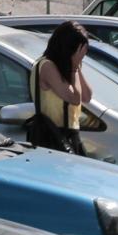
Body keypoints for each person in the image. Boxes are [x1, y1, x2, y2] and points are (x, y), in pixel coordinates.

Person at [30, 20, 92, 155]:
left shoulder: (66, 67)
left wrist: (77, 65)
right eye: (79, 51)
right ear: (68, 48)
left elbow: (86, 96)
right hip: (53, 136)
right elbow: (74, 98)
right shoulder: (46, 66)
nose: (82, 55)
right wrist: (74, 67)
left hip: (70, 135)